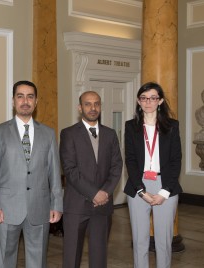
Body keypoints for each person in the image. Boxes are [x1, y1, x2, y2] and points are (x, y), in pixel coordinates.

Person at [0, 80, 63, 268]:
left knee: (38, 260)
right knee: (5, 259)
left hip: (40, 207)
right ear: (13, 101)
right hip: (6, 208)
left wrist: (57, 204)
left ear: (36, 102)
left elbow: (54, 171)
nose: (25, 101)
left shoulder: (48, 133)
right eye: (20, 96)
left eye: (30, 96)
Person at [59, 91, 123, 268]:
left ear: (100, 106)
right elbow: (70, 170)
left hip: (102, 207)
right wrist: (94, 193)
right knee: (72, 257)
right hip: (76, 206)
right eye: (88, 104)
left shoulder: (110, 134)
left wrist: (105, 193)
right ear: (80, 108)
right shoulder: (68, 134)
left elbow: (117, 166)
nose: (92, 108)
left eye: (96, 104)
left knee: (99, 257)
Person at [124, 82, 182, 268]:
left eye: (153, 98)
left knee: (163, 241)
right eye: (144, 98)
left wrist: (165, 192)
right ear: (138, 101)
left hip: (165, 186)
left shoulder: (172, 126)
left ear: (160, 101)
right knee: (139, 241)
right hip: (138, 185)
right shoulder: (131, 126)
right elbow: (130, 160)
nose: (148, 102)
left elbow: (176, 160)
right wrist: (141, 190)